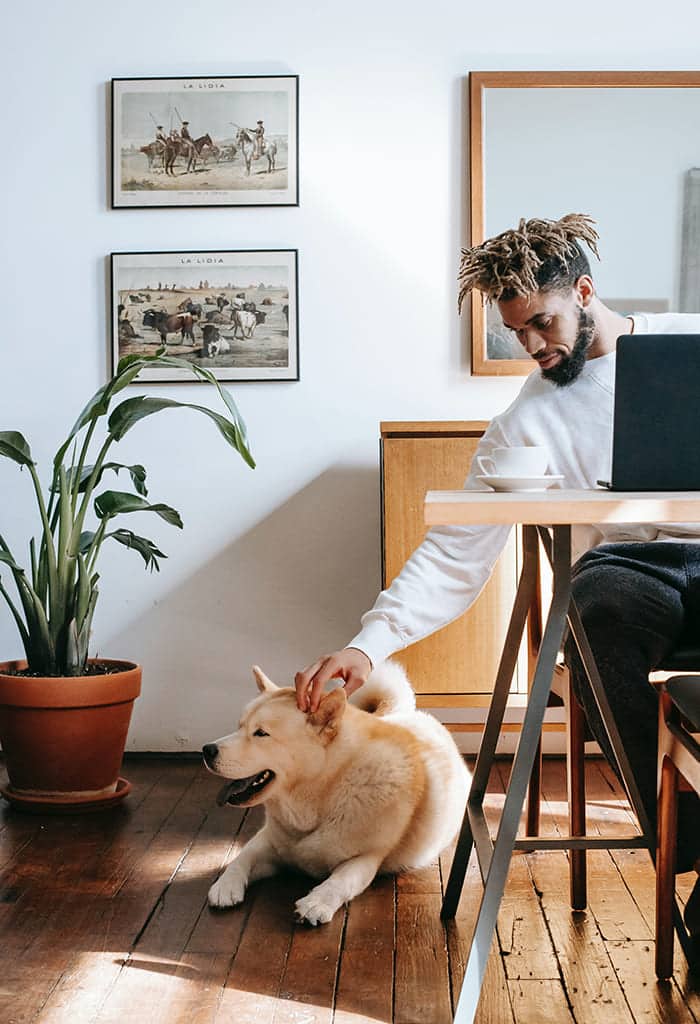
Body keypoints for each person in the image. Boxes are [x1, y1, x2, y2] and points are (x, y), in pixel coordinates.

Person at [294, 212, 700, 938]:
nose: (533, 346)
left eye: (542, 322)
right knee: (595, 603)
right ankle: (691, 836)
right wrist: (368, 645)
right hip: (632, 575)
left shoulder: (689, 342)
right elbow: (455, 553)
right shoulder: (524, 423)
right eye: (518, 333)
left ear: (583, 290)